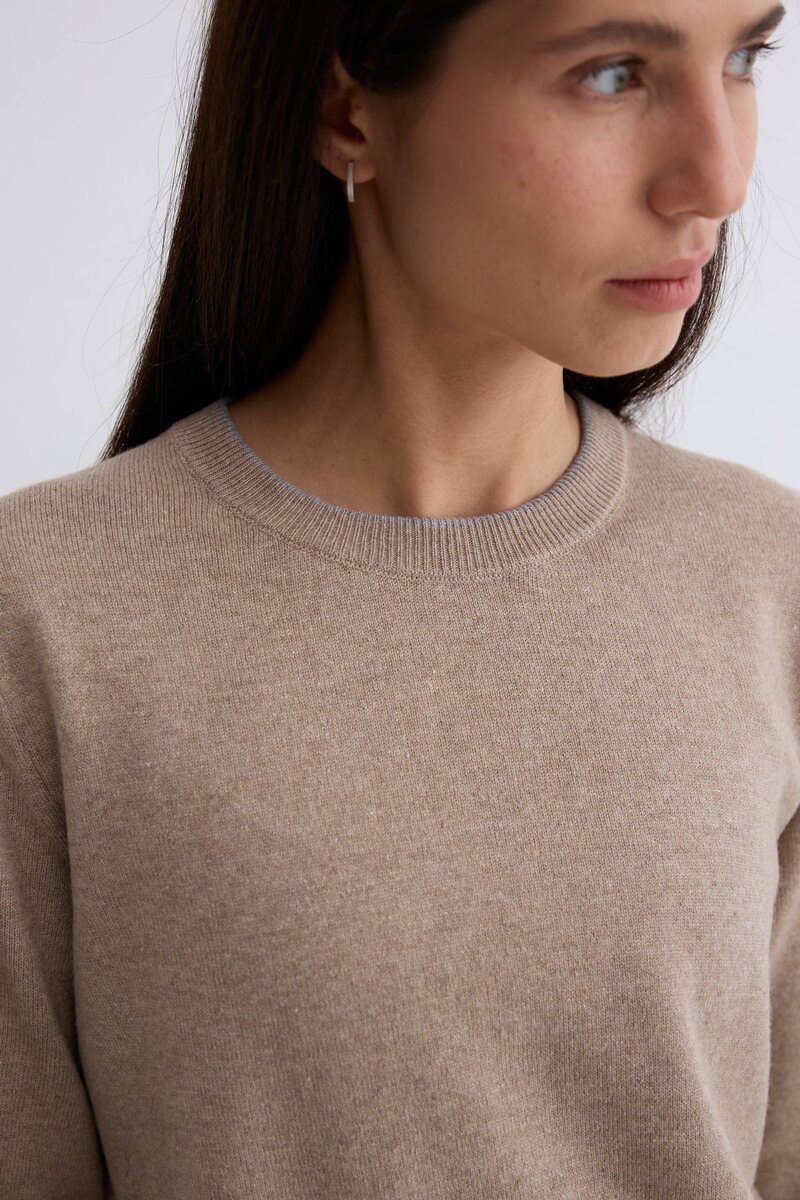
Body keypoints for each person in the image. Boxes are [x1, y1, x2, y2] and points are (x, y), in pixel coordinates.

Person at [1, 1, 798, 1197]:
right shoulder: (46, 609)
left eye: (742, 58)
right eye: (612, 74)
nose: (718, 180)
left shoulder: (769, 582)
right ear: (345, 112)